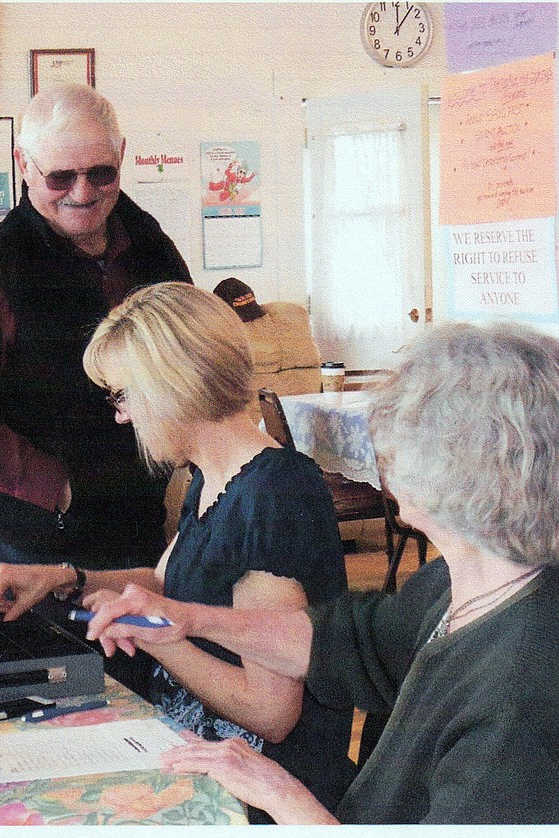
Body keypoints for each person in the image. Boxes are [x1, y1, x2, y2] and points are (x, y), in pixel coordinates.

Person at [86, 320, 559, 824]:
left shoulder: (520, 689)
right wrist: (188, 620)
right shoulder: (455, 585)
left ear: (453, 471)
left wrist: (280, 793)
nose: (384, 462)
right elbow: (342, 640)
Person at [0, 283, 355, 821]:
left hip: (262, 788)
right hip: (199, 743)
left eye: (122, 396)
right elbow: (170, 583)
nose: (121, 417)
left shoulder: (273, 496)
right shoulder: (214, 477)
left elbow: (270, 712)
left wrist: (154, 638)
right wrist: (66, 578)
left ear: (168, 389)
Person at [0, 83, 192, 586]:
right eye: (61, 177)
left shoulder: (151, 244)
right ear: (24, 165)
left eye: (101, 173)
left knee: (145, 662)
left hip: (141, 520)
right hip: (33, 534)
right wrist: (58, 486)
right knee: (58, 667)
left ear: (122, 155)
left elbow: (189, 359)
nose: (83, 193)